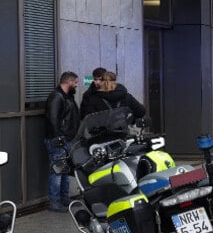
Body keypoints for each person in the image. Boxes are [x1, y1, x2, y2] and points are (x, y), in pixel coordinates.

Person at [44, 72, 80, 212]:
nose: (77, 85)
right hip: (58, 140)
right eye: (75, 82)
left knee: (65, 170)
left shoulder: (66, 96)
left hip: (66, 139)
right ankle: (55, 202)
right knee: (57, 171)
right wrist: (58, 138)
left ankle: (64, 198)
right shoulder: (56, 97)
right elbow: (52, 119)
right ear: (69, 82)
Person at [80, 70, 146, 119]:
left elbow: (87, 119)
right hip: (122, 133)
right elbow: (141, 111)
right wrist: (130, 120)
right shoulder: (127, 96)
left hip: (102, 136)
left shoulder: (95, 99)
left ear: (102, 83)